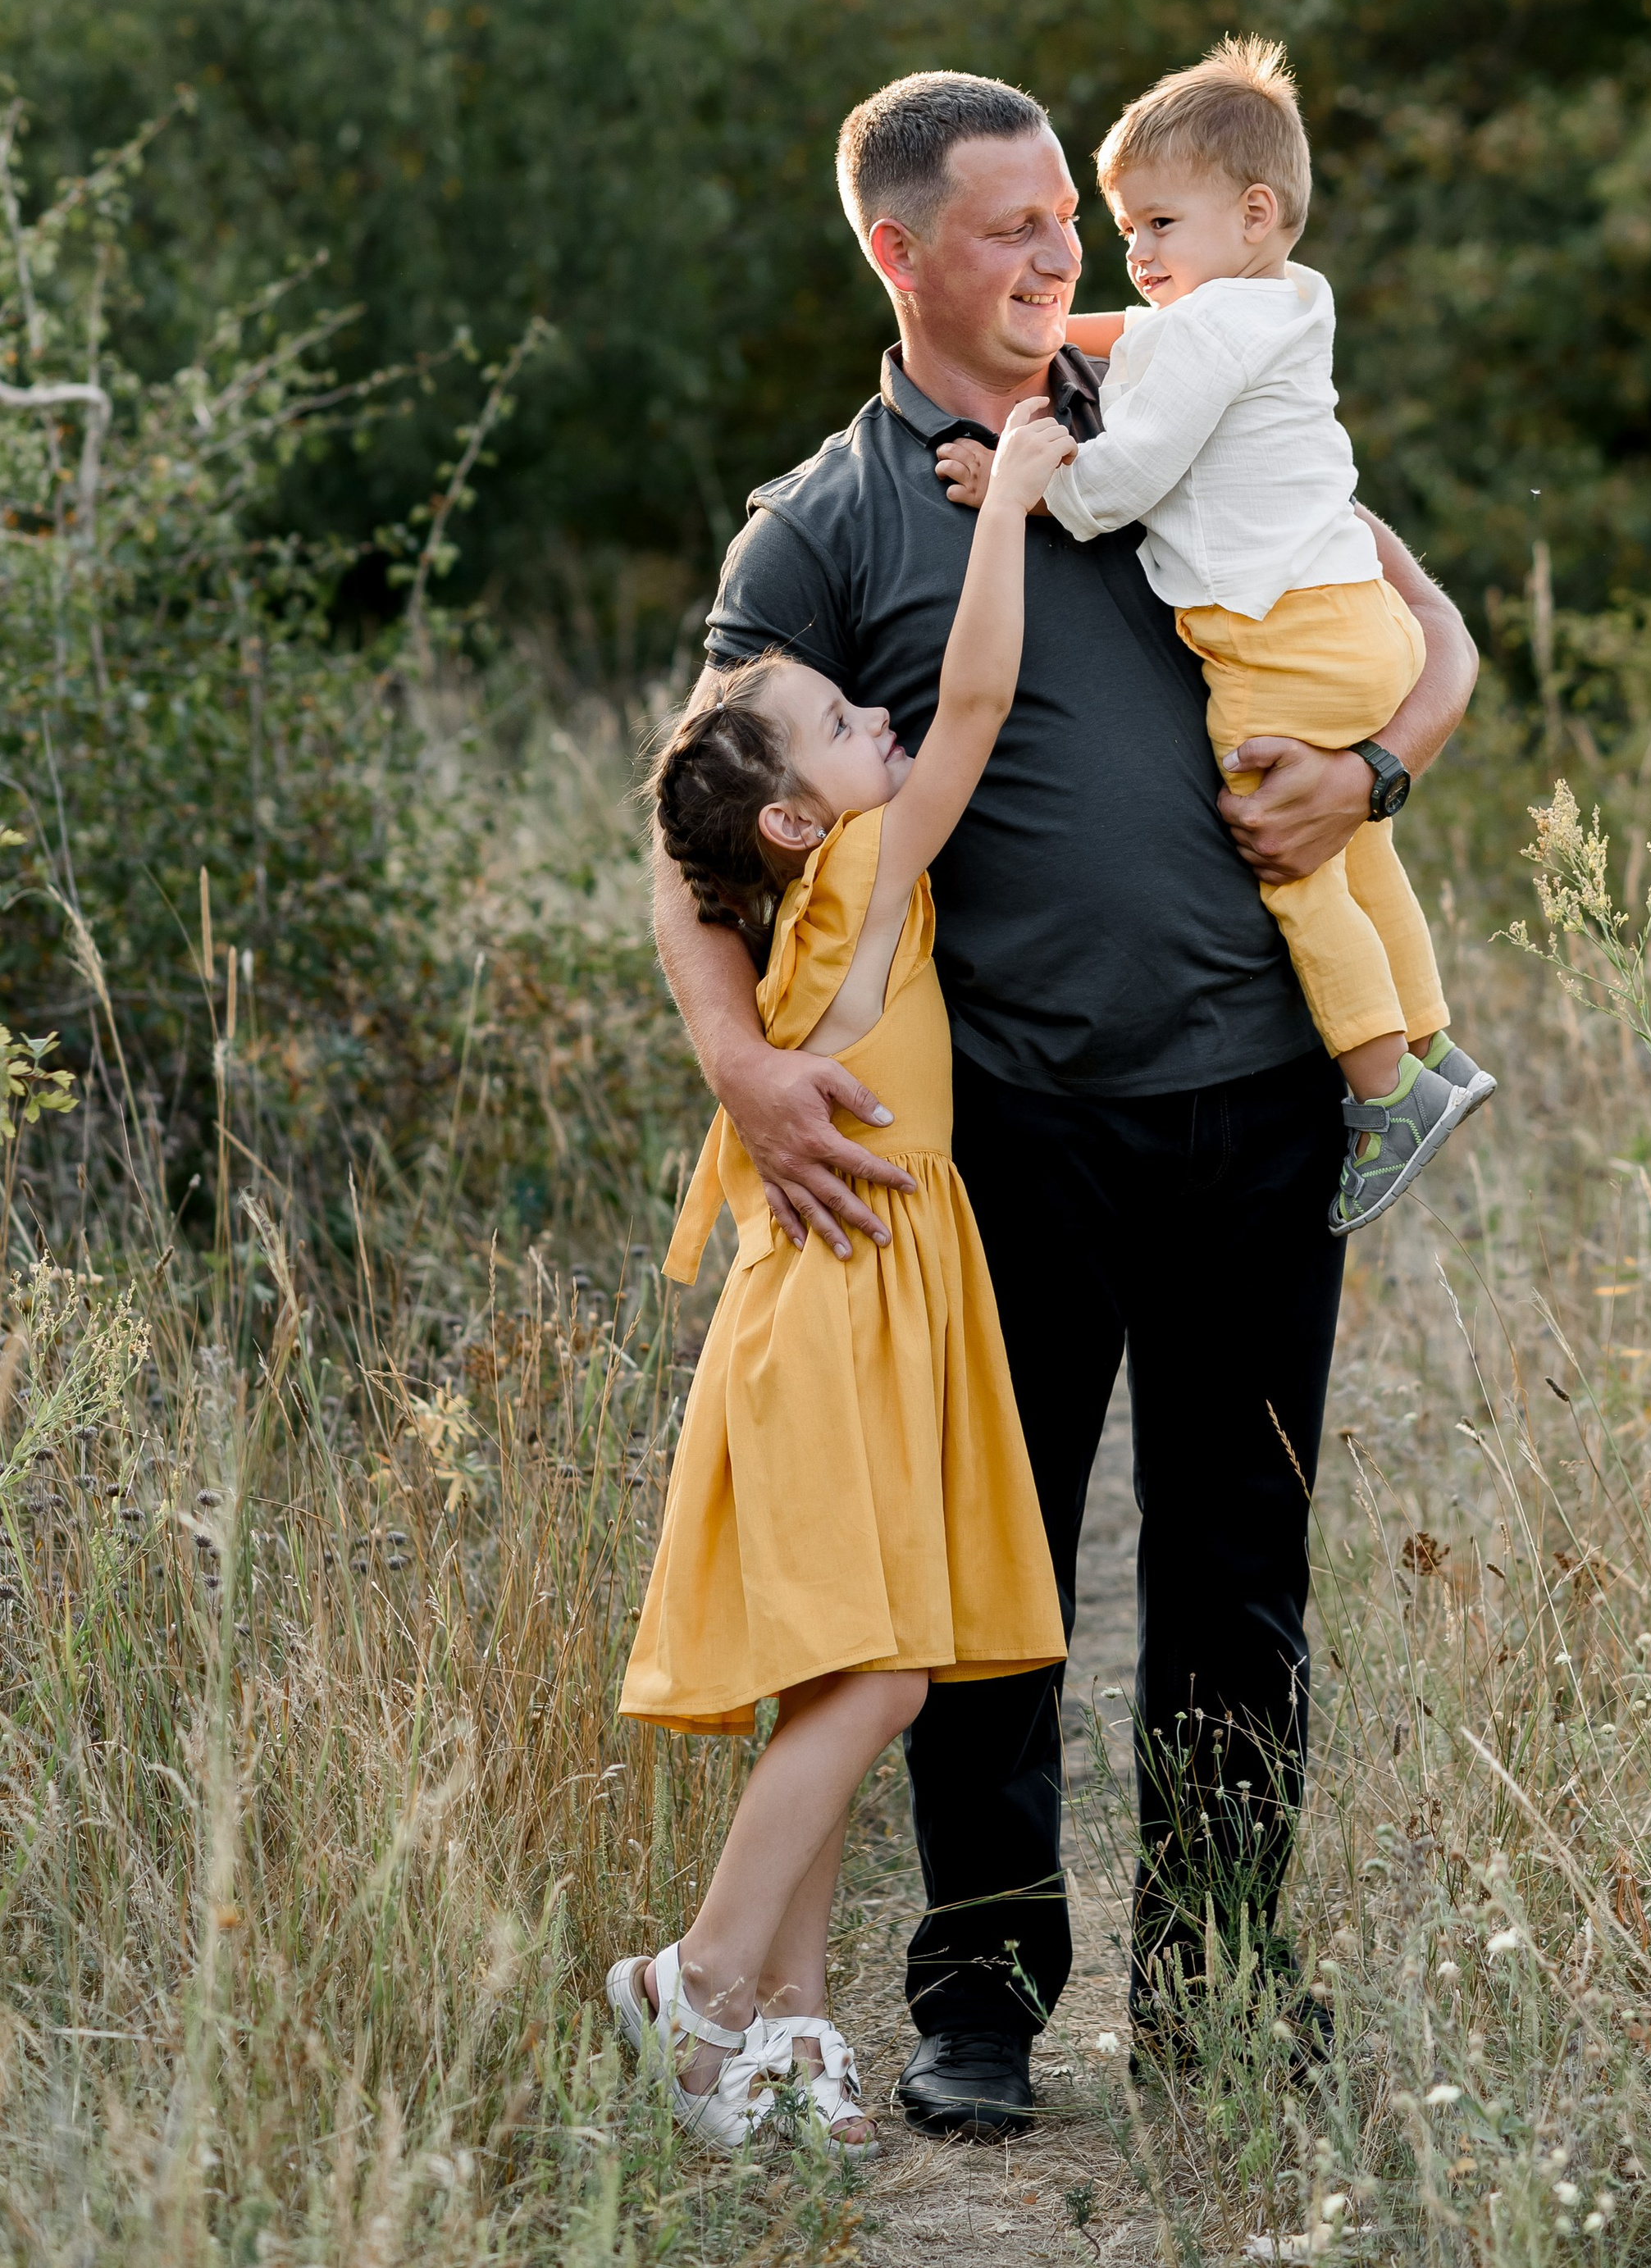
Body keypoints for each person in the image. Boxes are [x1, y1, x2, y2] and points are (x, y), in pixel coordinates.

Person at [652, 69, 1480, 2134]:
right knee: (983, 1585)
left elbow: (1427, 623)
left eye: (1065, 221)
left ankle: (1216, 1994)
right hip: (1008, 1129)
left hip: (1267, 1106)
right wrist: (747, 1069)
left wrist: (1375, 774)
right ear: (897, 250)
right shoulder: (828, 520)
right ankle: (980, 2004)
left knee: (1234, 1573)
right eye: (1010, 228)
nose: (1057, 259)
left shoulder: (1181, 391)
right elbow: (677, 833)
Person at [607, 395, 1074, 2157]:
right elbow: (968, 702)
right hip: (843, 1309)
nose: (866, 714)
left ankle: (783, 2047)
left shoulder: (804, 888)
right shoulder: (871, 863)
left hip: (844, 1303)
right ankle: (705, 1979)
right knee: (881, 1677)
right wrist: (1010, 504)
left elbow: (899, 723)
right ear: (802, 822)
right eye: (830, 721)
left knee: (839, 1669)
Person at [937, 36, 1494, 1233]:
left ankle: (1385, 1090)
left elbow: (1128, 473)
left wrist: (1021, 483)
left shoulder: (1200, 333)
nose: (1135, 256)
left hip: (1277, 642)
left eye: (1157, 228)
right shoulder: (1284, 300)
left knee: (1291, 862)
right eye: (1128, 231)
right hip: (1357, 620)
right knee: (1360, 853)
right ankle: (1437, 1044)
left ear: (1253, 213)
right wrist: (1060, 334)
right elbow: (1142, 340)